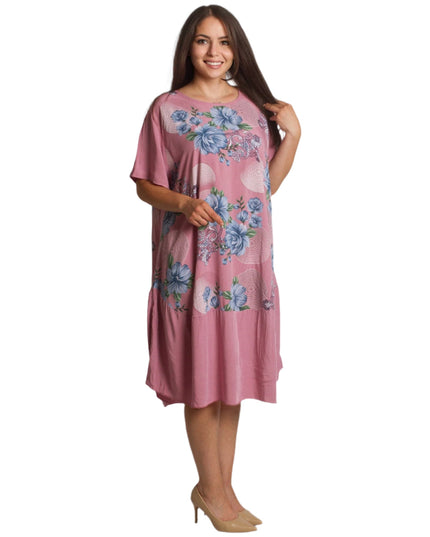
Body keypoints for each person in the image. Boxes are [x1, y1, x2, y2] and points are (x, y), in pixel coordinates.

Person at [129, 4, 301, 532]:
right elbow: (145, 183)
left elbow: (265, 186)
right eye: (203, 40)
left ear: (236, 49)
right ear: (189, 47)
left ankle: (220, 490)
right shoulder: (167, 109)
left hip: (245, 264)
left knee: (230, 379)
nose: (214, 52)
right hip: (193, 264)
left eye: (224, 42)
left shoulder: (253, 108)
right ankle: (212, 491)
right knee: (203, 377)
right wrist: (183, 203)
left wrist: (293, 137)